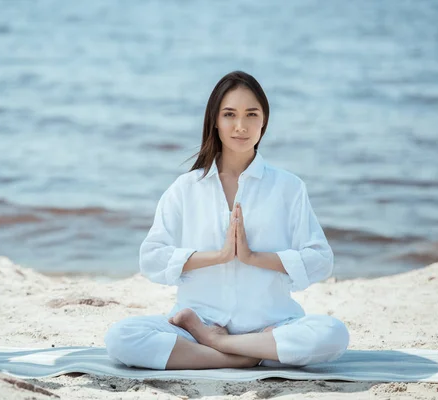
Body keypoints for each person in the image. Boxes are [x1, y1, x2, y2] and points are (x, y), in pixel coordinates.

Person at [105, 71, 349, 370]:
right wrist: (218, 256)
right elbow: (151, 259)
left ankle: (220, 346)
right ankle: (246, 356)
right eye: (230, 114)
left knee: (333, 334)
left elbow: (320, 260)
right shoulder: (186, 188)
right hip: (197, 324)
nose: (241, 126)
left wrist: (253, 257)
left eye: (251, 114)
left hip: (271, 327)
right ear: (215, 121)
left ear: (264, 121)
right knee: (122, 337)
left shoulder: (288, 187)